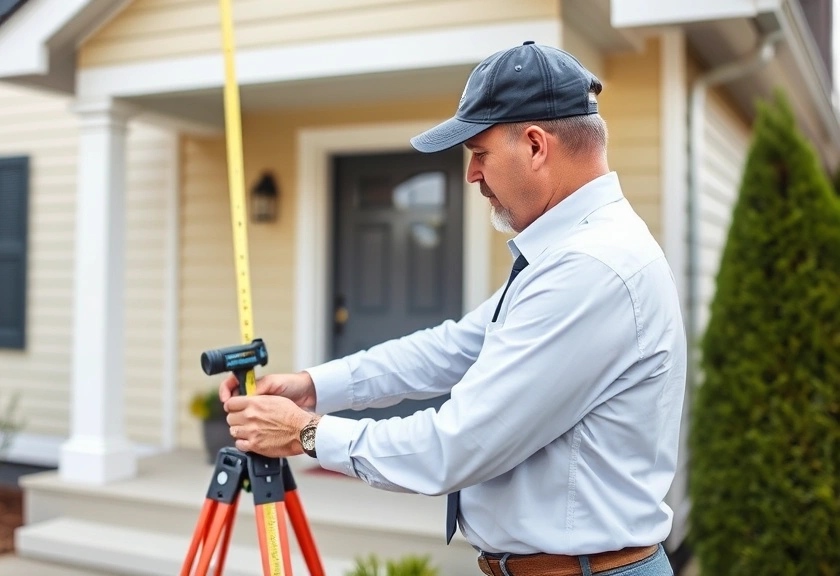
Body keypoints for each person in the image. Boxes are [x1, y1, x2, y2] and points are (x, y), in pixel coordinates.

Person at [220, 40, 685, 576]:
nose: (472, 176)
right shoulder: (569, 252)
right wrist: (315, 383)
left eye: (479, 154)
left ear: (536, 146)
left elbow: (457, 445)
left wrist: (306, 432)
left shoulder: (590, 267)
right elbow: (455, 347)